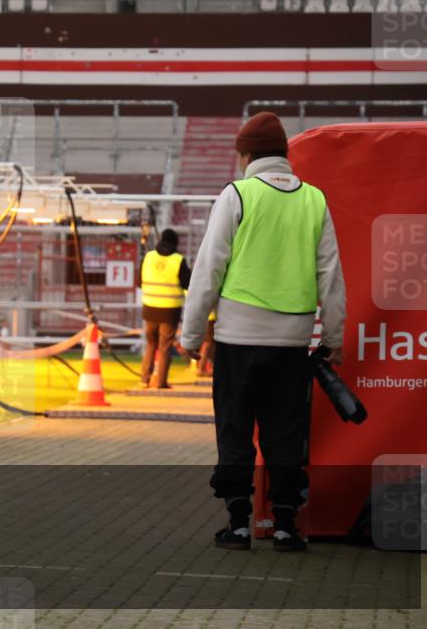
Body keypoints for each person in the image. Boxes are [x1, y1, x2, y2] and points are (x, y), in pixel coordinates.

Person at [181, 111, 346, 553]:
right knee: (285, 432)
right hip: (293, 340)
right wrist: (333, 338)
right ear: (284, 155)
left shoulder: (237, 195)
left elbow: (209, 268)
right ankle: (288, 524)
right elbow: (330, 275)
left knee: (235, 429)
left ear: (246, 154)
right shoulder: (315, 200)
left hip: (238, 337)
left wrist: (192, 335)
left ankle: (238, 523)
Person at [136, 228, 191, 389]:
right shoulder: (178, 260)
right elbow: (187, 284)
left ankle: (144, 379)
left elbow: (139, 282)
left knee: (151, 345)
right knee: (165, 347)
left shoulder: (149, 257)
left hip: (149, 309)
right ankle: (160, 381)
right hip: (170, 310)